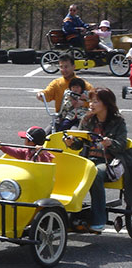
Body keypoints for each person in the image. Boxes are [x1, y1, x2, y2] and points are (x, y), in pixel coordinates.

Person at [63, 87, 130, 233]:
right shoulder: (86, 120)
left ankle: (98, 220)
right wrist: (71, 142)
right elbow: (79, 143)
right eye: (91, 101)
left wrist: (110, 143)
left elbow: (122, 145)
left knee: (95, 173)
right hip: (87, 160)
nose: (91, 104)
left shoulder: (118, 122)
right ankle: (65, 215)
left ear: (106, 104)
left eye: (96, 101)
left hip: (110, 163)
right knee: (63, 170)